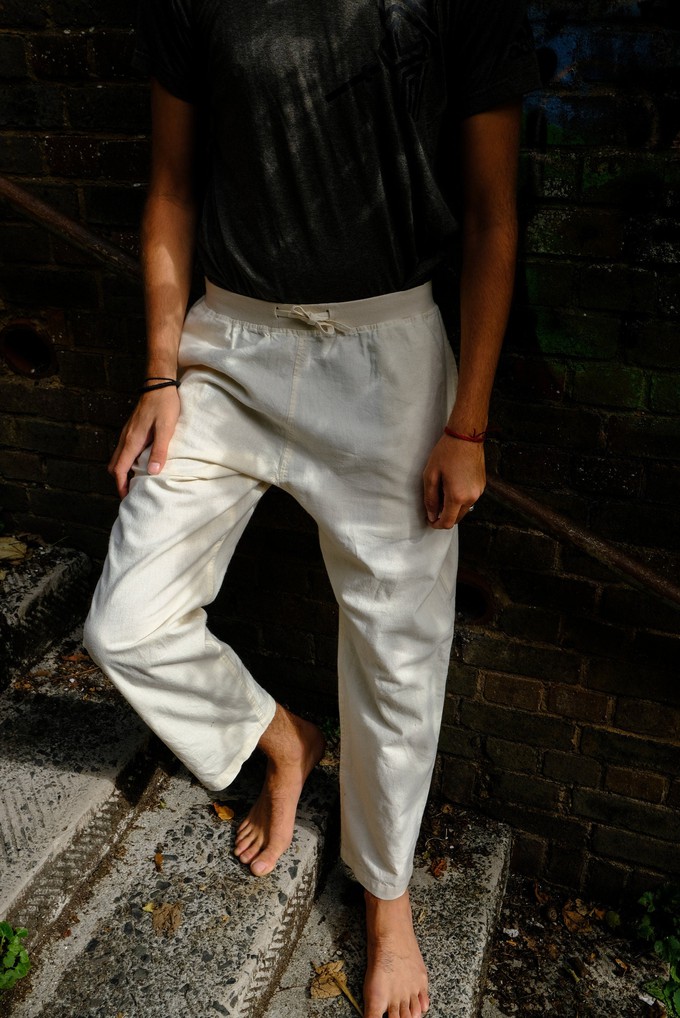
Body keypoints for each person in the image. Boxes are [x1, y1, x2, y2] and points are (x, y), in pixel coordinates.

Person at [84, 3, 540, 1015]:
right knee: (124, 621)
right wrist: (161, 374)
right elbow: (169, 185)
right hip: (226, 346)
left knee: (397, 656)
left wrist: (466, 423)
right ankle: (281, 736)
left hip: (387, 356)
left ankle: (386, 903)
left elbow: (492, 211)